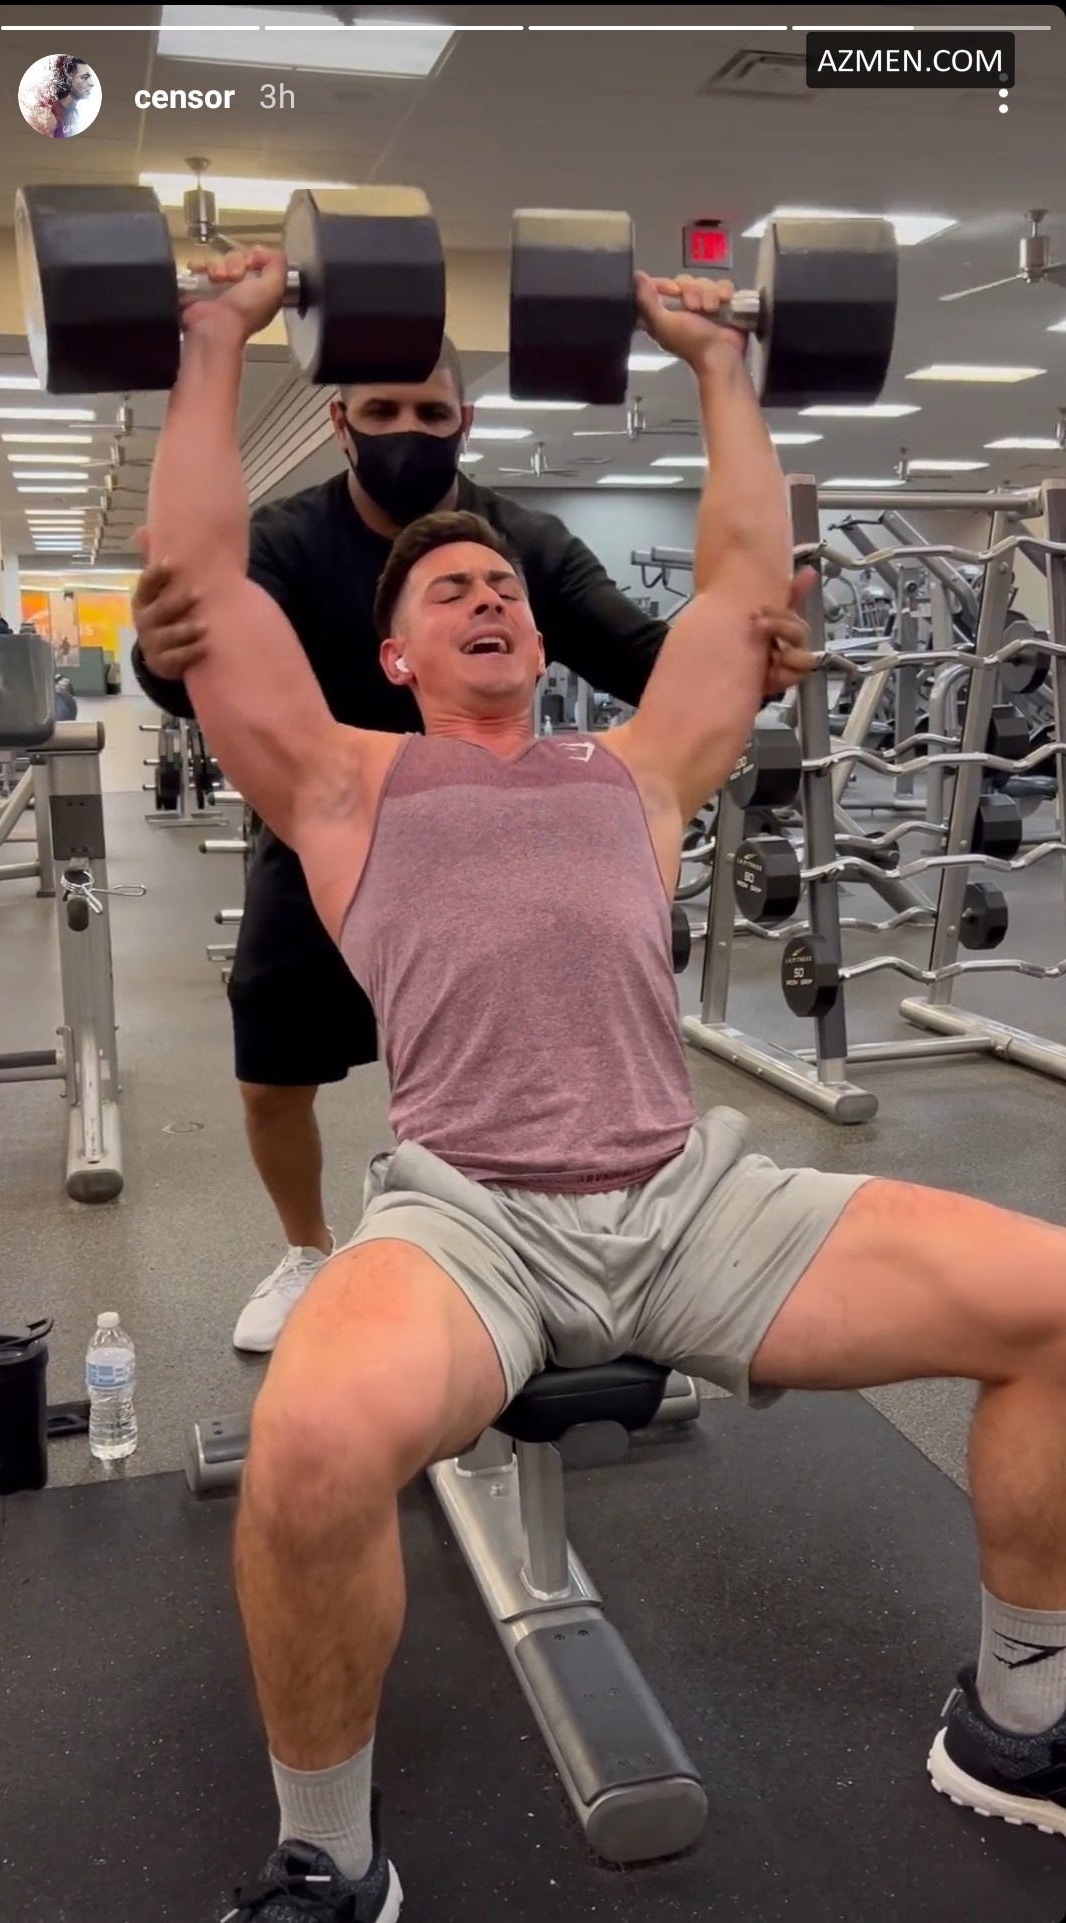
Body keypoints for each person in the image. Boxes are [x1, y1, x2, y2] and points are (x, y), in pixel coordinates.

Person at [151, 248, 1066, 1921]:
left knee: (1055, 1301)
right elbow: (205, 586)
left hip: (697, 1198)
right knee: (313, 1444)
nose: (489, 596)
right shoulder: (347, 785)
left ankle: (1021, 1713)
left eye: (503, 579)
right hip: (470, 1221)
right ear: (395, 654)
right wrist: (213, 339)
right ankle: (328, 1856)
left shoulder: (633, 773)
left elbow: (736, 589)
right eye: (449, 590)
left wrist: (719, 363)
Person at [132, 317, 813, 1355]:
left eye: (430, 411)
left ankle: (562, 1237)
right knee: (271, 1075)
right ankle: (307, 1247)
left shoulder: (519, 546)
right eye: (382, 412)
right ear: (340, 424)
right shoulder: (290, 540)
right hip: (337, 832)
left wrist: (746, 663)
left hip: (504, 833)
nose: (407, 430)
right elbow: (209, 633)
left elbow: (654, 659)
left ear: (467, 419)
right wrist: (159, 649)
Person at [19, 55, 97, 139]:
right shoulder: (48, 115)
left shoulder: (75, 113)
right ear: (68, 80)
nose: (92, 83)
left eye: (90, 77)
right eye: (85, 77)